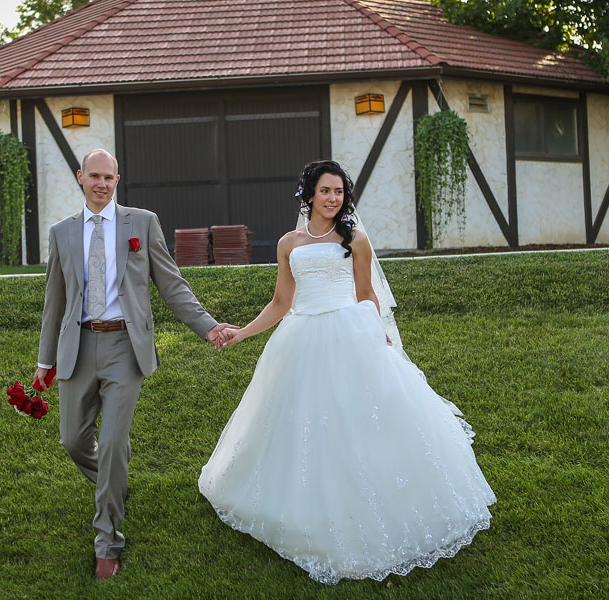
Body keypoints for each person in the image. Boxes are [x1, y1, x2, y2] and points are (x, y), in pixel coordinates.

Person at [199, 160, 496, 584]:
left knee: (365, 419)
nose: (333, 198)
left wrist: (378, 333)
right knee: (299, 422)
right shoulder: (288, 243)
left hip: (349, 333)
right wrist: (242, 333)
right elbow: (281, 302)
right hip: (301, 337)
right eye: (325, 190)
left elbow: (366, 293)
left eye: (339, 191)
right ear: (309, 195)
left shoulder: (355, 239)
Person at [34, 149, 235, 581]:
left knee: (111, 443)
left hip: (126, 347)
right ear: (80, 177)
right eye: (94, 176)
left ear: (117, 180)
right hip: (76, 347)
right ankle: (115, 484)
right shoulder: (62, 233)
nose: (102, 184)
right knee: (73, 441)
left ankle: (107, 541)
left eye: (109, 177)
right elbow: (55, 301)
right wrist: (44, 360)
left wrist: (208, 326)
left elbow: (172, 284)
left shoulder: (141, 223)